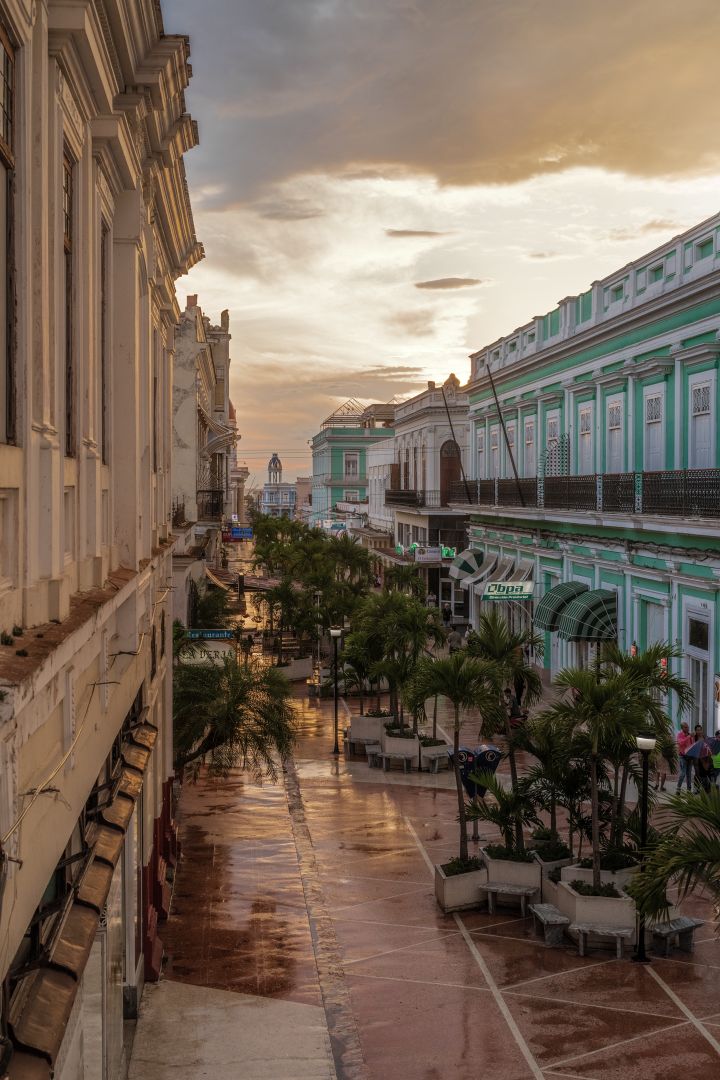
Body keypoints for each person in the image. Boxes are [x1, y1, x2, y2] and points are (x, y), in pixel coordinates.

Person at [676, 721, 694, 792]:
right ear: (682, 728)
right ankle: (678, 788)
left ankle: (688, 790)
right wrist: (688, 737)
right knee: (683, 774)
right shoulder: (680, 735)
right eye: (685, 727)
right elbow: (681, 743)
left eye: (688, 727)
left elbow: (692, 745)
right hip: (683, 756)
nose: (687, 728)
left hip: (689, 757)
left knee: (689, 774)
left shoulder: (690, 735)